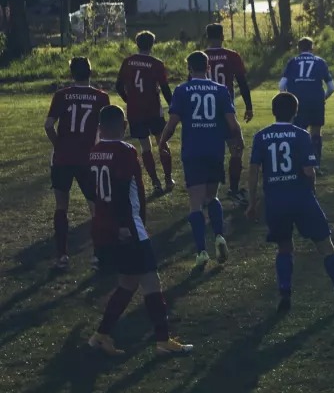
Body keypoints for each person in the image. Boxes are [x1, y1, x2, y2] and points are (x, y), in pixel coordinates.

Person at [86, 105, 193, 357]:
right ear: (123, 126)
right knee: (150, 281)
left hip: (105, 226)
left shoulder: (94, 152)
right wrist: (125, 226)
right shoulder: (125, 151)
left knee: (128, 283)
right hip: (129, 227)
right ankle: (162, 340)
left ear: (100, 128)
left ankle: (101, 336)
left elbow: (94, 191)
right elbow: (123, 189)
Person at [246, 93, 334, 313]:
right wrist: (312, 190)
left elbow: (253, 172)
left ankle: (285, 296)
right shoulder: (301, 135)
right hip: (301, 199)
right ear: (296, 112)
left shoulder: (261, 136)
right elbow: (309, 171)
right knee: (326, 246)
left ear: (273, 111)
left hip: (276, 201)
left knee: (284, 247)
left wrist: (252, 202)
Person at [161, 51, 242, 270]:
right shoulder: (220, 90)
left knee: (195, 204)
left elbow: (173, 123)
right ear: (208, 67)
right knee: (212, 196)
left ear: (189, 68)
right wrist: (237, 142)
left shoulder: (182, 90)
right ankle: (219, 237)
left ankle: (201, 251)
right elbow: (232, 124)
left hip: (193, 151)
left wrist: (162, 142)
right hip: (214, 150)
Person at [44, 57, 111, 271]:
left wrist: (59, 145)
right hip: (88, 158)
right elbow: (105, 130)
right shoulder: (101, 97)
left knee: (61, 206)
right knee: (95, 207)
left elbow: (48, 125)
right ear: (90, 72)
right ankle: (98, 256)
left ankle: (62, 256)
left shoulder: (61, 95)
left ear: (71, 73)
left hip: (62, 158)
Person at [116, 31, 174, 195]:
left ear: (137, 43)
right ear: (152, 44)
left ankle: (155, 182)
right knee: (162, 142)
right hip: (154, 109)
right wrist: (173, 107)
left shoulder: (128, 62)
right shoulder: (156, 63)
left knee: (145, 147)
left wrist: (129, 100)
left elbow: (118, 86)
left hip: (136, 111)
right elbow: (165, 88)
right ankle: (168, 179)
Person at [204, 23, 253, 203]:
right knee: (236, 149)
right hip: (226, 112)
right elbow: (242, 82)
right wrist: (248, 106)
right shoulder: (232, 56)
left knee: (209, 152)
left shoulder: (202, 57)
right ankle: (233, 188)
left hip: (205, 113)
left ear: (207, 38)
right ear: (223, 36)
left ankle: (206, 192)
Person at [279, 37, 334, 168]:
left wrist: (288, 101)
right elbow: (332, 88)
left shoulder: (292, 62)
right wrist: (323, 98)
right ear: (312, 48)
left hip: (297, 101)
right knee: (316, 132)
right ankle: (315, 164)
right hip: (316, 101)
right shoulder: (320, 62)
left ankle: (299, 163)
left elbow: (282, 85)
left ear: (299, 48)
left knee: (299, 131)